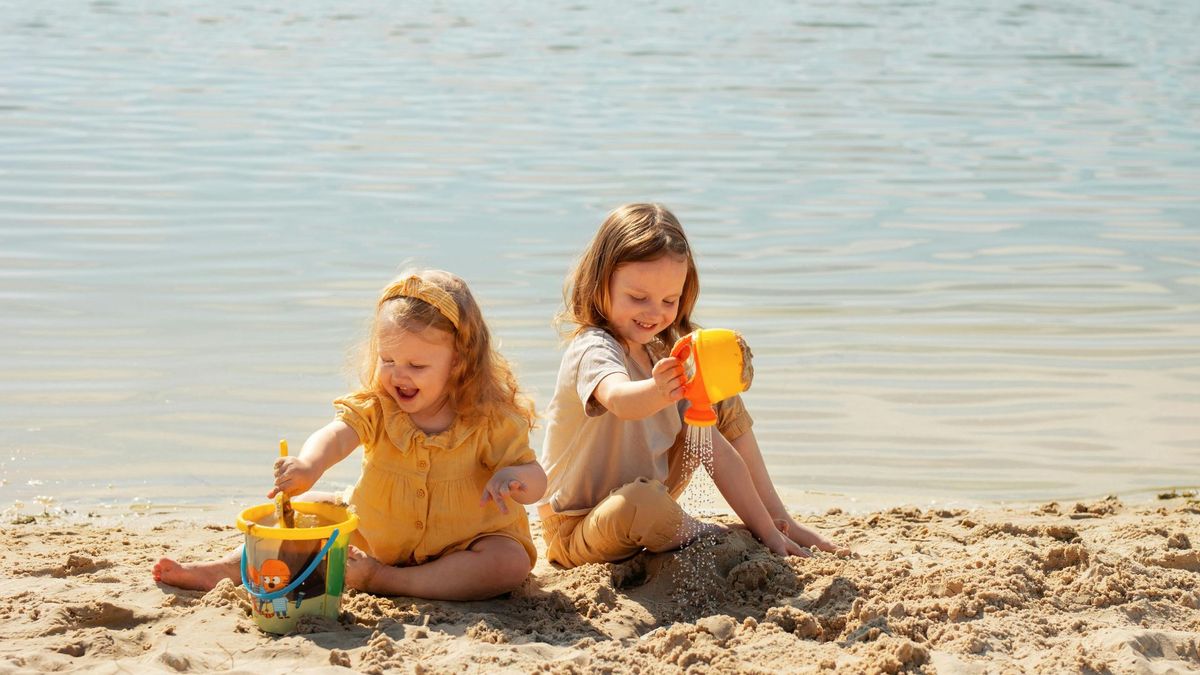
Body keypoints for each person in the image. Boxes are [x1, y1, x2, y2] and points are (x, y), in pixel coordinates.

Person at [153, 270, 546, 600]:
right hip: (374, 536)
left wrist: (513, 480)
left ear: (459, 361)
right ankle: (227, 568)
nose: (398, 375)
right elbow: (338, 434)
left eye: (416, 365)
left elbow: (535, 480)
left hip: (466, 543)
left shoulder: (490, 419)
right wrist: (309, 464)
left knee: (507, 563)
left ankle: (390, 580)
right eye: (387, 360)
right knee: (305, 509)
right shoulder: (379, 405)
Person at [538, 203, 845, 568]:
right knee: (642, 500)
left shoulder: (661, 354)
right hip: (580, 525)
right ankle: (701, 533)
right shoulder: (593, 347)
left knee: (714, 395)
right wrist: (656, 392)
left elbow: (720, 456)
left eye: (669, 300)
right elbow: (618, 397)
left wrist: (768, 531)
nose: (654, 313)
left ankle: (778, 518)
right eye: (638, 298)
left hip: (647, 500)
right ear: (601, 282)